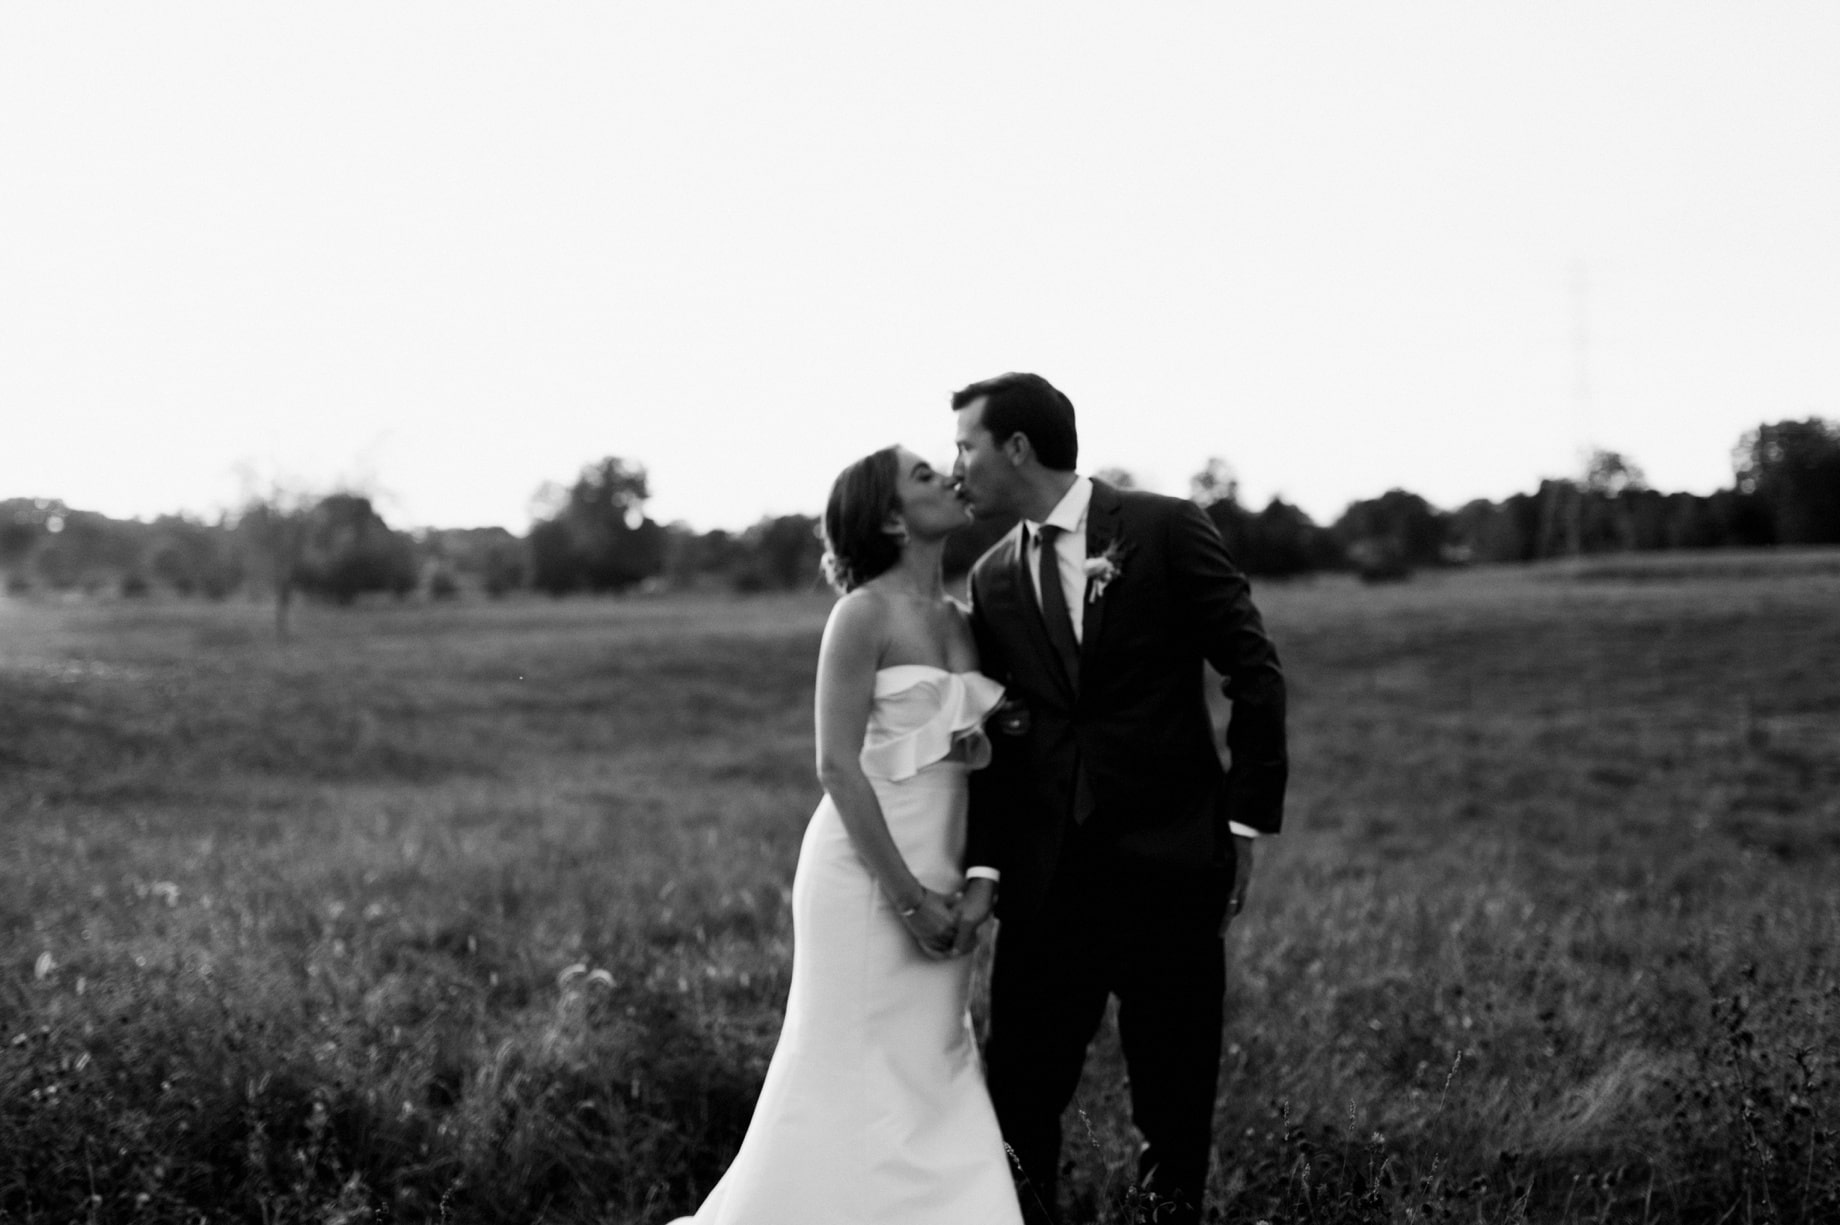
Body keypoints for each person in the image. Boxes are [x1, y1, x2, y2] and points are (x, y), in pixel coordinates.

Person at [947, 373, 1289, 1225]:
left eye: (966, 446)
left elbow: (1253, 669)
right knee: (1018, 1101)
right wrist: (987, 860)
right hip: (1047, 887)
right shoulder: (990, 578)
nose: (958, 468)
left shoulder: (1164, 528)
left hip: (1170, 868)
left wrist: (1242, 820)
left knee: (1175, 1107)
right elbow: (1002, 735)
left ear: (1016, 447)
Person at [667, 445, 1023, 1225]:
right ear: (892, 516)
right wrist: (907, 899)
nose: (947, 478)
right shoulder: (861, 614)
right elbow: (836, 764)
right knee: (842, 1068)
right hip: (864, 873)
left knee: (932, 1063)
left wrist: (977, 885)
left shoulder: (965, 618)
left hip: (948, 867)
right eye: (925, 475)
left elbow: (993, 763)